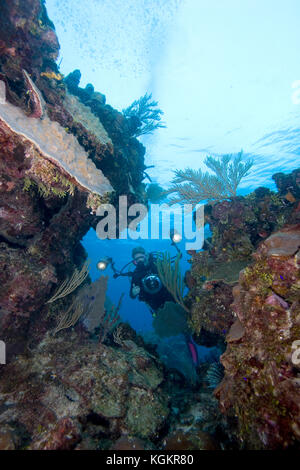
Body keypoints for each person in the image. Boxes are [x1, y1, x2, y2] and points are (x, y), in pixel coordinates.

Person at [130, 246, 174, 314]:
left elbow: (172, 275)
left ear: (146, 256)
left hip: (169, 295)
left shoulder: (157, 264)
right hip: (154, 302)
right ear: (134, 261)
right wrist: (133, 293)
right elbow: (132, 295)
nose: (140, 261)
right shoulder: (136, 274)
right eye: (137, 259)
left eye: (141, 257)